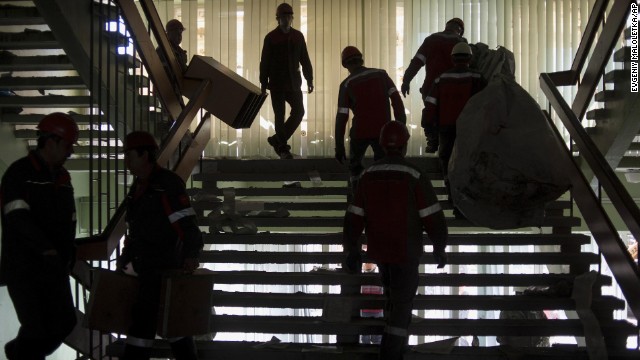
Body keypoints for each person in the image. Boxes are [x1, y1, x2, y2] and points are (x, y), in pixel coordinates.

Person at [342, 121, 448, 360]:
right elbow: (432, 216)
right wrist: (440, 247)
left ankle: (395, 346)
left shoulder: (367, 175)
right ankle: (391, 352)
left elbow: (354, 217)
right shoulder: (414, 175)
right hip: (406, 252)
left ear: (380, 145)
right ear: (405, 145)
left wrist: (352, 249)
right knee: (402, 305)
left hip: (381, 252)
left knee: (392, 297)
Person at [117, 131, 204, 360]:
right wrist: (126, 258)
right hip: (145, 269)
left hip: (163, 269)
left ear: (145, 155)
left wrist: (192, 253)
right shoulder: (139, 187)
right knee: (160, 326)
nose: (126, 160)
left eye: (129, 154)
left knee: (158, 326)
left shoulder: (165, 184)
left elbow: (186, 221)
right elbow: (135, 230)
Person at [0, 113, 79, 360]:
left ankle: (17, 353)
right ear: (51, 141)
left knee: (65, 323)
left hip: (54, 268)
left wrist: (66, 257)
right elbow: (17, 217)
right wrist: (46, 249)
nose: (70, 153)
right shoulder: (19, 173)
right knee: (36, 329)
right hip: (25, 268)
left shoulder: (63, 179)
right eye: (68, 146)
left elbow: (69, 221)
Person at [423, 42, 487, 219]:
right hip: (470, 131)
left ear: (452, 59)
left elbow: (430, 106)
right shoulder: (478, 78)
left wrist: (430, 131)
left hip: (447, 130)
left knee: (448, 166)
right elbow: (487, 105)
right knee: (468, 166)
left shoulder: (441, 79)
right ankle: (467, 206)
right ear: (470, 58)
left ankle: (454, 201)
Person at [334, 45, 406, 192]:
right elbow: (397, 101)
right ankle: (382, 195)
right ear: (361, 59)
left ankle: (358, 196)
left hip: (360, 132)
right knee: (383, 166)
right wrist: (400, 127)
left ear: (345, 64)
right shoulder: (381, 75)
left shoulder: (347, 85)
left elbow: (342, 117)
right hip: (383, 132)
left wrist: (339, 146)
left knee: (355, 167)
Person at [400, 17, 466, 154]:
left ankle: (432, 141)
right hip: (454, 92)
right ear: (460, 30)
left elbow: (417, 61)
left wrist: (406, 80)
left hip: (430, 90)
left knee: (430, 116)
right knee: (452, 125)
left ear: (447, 26)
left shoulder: (431, 40)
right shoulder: (460, 42)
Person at [260, 2, 314, 159]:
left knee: (299, 112)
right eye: (283, 16)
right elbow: (265, 62)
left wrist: (309, 79)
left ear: (292, 18)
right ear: (278, 19)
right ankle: (282, 147)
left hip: (294, 83)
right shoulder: (271, 38)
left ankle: (277, 140)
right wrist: (263, 83)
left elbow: (305, 59)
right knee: (279, 115)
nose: (286, 19)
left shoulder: (298, 36)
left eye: (289, 16)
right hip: (276, 83)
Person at [360, 261, 384, 345]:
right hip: (377, 310)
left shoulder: (362, 279)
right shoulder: (379, 278)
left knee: (365, 336)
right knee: (376, 336)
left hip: (365, 310)